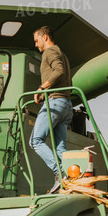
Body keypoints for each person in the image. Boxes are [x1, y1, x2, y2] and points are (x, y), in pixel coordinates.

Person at [30, 25, 73, 193]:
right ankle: (69, 178)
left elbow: (59, 71)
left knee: (35, 141)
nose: (36, 45)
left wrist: (42, 88)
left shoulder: (50, 52)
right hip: (66, 104)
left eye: (36, 40)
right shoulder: (63, 55)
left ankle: (59, 174)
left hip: (56, 102)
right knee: (60, 148)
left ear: (45, 37)